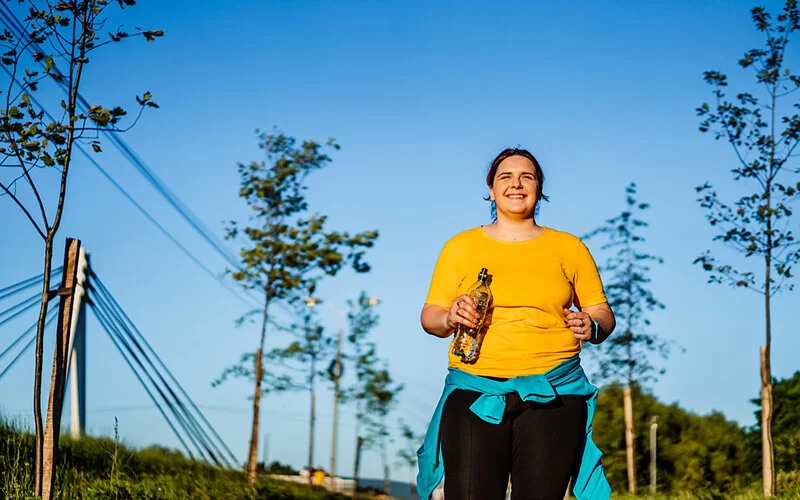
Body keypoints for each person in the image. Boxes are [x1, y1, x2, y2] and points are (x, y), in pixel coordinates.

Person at [416, 148, 616, 500]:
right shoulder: (460, 247)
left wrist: (592, 324)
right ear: (491, 190)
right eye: (505, 177)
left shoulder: (568, 247)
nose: (516, 184)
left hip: (554, 391)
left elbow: (602, 313)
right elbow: (430, 316)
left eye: (527, 177)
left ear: (539, 189)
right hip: (475, 391)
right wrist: (449, 316)